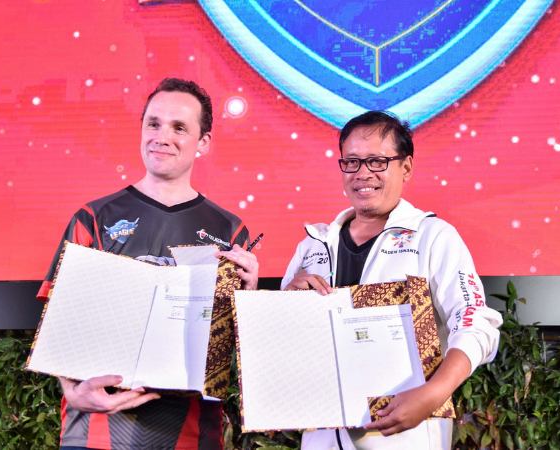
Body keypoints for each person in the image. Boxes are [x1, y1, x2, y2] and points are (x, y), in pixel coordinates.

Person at [37, 78, 258, 450]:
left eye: (179, 127)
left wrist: (247, 302)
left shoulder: (230, 231)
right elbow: (58, 322)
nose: (162, 137)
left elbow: (234, 347)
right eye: (153, 124)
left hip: (192, 434)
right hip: (94, 431)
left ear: (203, 142)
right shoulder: (93, 218)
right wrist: (71, 391)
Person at [281, 111, 502, 450]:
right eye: (352, 162)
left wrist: (433, 393)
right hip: (321, 435)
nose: (362, 173)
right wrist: (283, 306)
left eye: (377, 161)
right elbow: (283, 346)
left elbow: (476, 323)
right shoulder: (312, 245)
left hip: (405, 434)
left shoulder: (433, 237)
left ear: (406, 167)